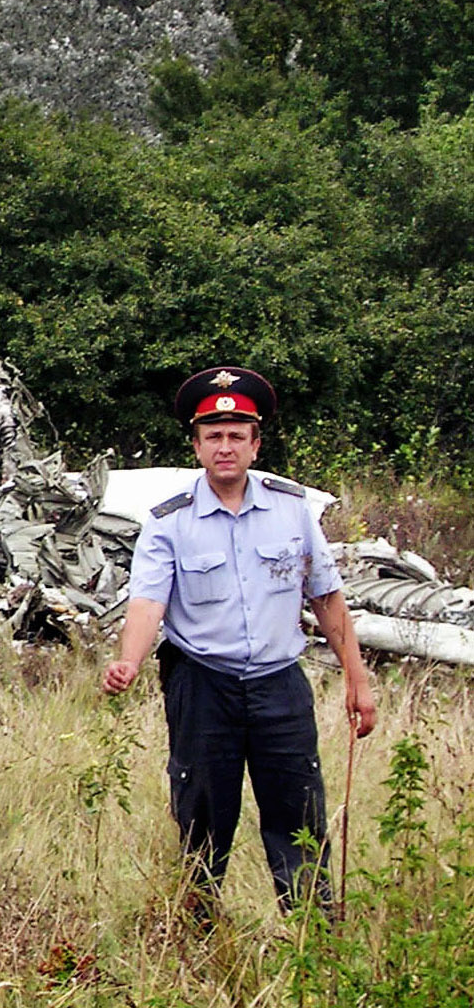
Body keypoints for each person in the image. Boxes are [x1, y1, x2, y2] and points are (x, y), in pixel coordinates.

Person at [101, 365, 377, 917]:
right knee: (203, 816)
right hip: (203, 684)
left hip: (279, 685)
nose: (224, 447)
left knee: (298, 817)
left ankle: (312, 937)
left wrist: (358, 679)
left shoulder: (292, 509)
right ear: (198, 447)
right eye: (213, 437)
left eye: (235, 436)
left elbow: (325, 597)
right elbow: (148, 601)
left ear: (254, 444)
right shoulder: (168, 521)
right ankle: (199, 935)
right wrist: (127, 662)